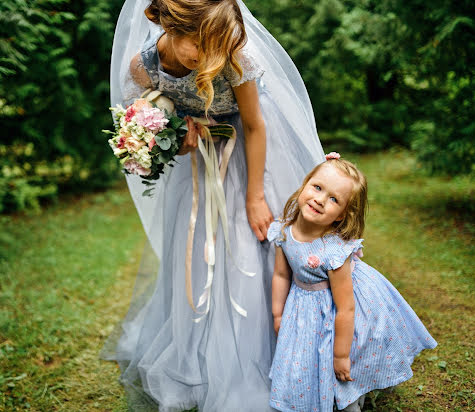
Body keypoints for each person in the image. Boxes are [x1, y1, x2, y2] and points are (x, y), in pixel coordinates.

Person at [103, 1, 324, 410]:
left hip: (252, 156)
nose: (207, 58)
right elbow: (154, 128)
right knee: (200, 256)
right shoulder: (143, 69)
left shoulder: (233, 54)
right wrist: (176, 137)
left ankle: (277, 353)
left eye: (214, 48)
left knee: (251, 248)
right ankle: (203, 359)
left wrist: (255, 196)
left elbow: (256, 125)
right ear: (166, 23)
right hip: (201, 171)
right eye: (198, 46)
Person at [267, 153, 437, 412]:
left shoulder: (333, 252)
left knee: (348, 355)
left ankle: (351, 396)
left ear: (341, 215)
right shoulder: (284, 231)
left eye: (334, 199)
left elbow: (345, 309)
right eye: (317, 187)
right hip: (304, 310)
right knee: (307, 357)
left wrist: (341, 355)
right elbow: (281, 275)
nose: (320, 200)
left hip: (342, 307)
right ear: (304, 185)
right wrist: (278, 313)